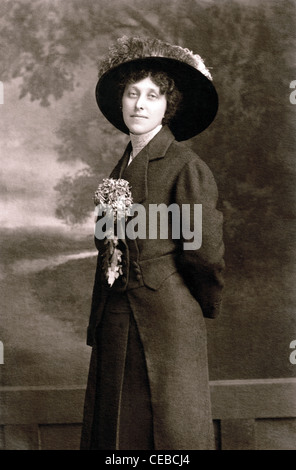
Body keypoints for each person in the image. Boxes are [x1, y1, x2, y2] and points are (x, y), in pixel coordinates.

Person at [80, 36, 225, 450]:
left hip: (167, 319)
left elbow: (204, 253)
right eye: (132, 94)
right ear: (122, 102)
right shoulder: (120, 167)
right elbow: (107, 246)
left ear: (168, 106)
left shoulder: (186, 166)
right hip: (116, 315)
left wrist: (199, 303)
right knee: (117, 435)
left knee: (170, 430)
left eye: (153, 95)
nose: (140, 105)